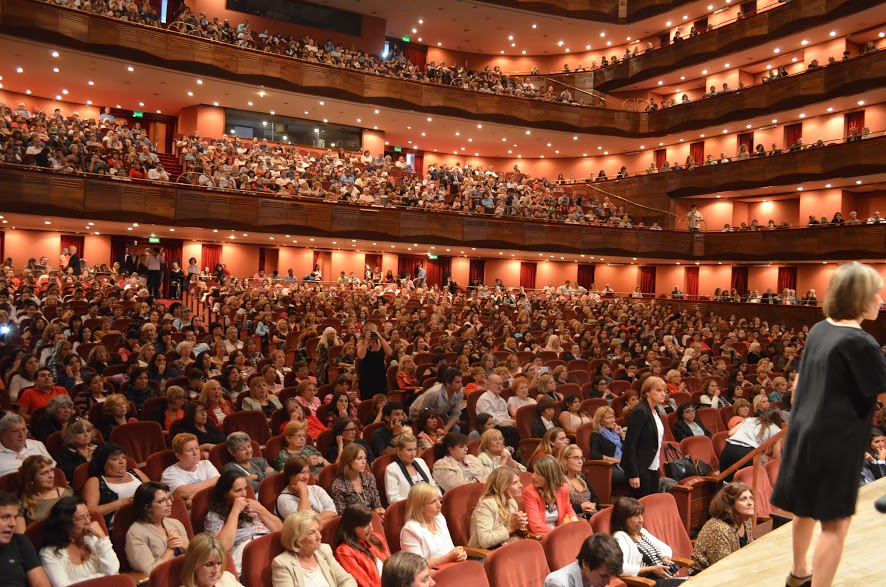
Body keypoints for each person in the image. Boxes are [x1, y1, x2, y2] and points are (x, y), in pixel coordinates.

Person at [772, 263, 886, 587]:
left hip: (805, 434)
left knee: (805, 509)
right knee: (835, 526)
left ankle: (798, 573)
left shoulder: (820, 329)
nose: (880, 299)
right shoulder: (861, 342)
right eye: (875, 293)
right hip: (837, 443)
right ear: (857, 298)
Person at [204, 470, 282, 575]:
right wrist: (235, 512)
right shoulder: (214, 516)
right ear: (225, 494)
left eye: (245, 488)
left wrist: (261, 510)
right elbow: (222, 547)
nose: (244, 494)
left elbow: (280, 530)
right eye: (238, 491)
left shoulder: (252, 505)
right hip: (245, 554)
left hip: (269, 544)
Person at [39, 496, 120, 587]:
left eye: (88, 515)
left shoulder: (94, 539)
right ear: (65, 523)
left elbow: (112, 571)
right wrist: (104, 577)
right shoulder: (50, 553)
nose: (88, 521)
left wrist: (102, 537)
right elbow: (63, 586)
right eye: (81, 518)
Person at [610, 497, 685, 586]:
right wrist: (651, 569)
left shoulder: (642, 532)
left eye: (641, 515)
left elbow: (665, 548)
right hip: (647, 583)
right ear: (623, 519)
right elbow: (620, 568)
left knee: (697, 580)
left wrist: (665, 560)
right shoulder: (620, 537)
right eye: (636, 516)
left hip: (661, 579)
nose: (641, 520)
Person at [271, 509, 356, 587]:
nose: (319, 536)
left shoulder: (324, 550)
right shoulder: (283, 564)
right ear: (297, 539)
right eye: (311, 533)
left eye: (318, 530)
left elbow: (347, 580)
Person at [125, 481, 190, 574]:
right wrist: (170, 549)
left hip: (186, 576)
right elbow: (150, 572)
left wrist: (185, 545)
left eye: (169, 498)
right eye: (161, 501)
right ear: (147, 508)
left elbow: (195, 559)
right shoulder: (135, 533)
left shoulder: (175, 523)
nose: (169, 503)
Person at [83, 442, 149, 528]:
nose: (122, 462)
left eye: (123, 457)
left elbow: (154, 491)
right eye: (115, 459)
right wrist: (123, 502)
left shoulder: (136, 472)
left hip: (148, 519)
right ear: (104, 464)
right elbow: (90, 510)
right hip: (120, 527)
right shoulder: (95, 481)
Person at [691, 482, 755, 571]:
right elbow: (722, 567)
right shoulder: (718, 528)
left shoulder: (746, 520)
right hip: (705, 575)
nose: (750, 503)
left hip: (736, 568)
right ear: (730, 504)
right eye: (743, 499)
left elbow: (749, 550)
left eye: (751, 498)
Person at [399, 483, 466, 569]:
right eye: (433, 502)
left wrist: (459, 553)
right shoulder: (410, 530)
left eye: (439, 499)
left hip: (452, 567)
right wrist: (448, 557)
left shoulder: (439, 518)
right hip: (431, 575)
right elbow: (417, 567)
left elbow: (450, 548)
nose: (439, 505)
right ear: (420, 506)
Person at [623, 377, 667, 498]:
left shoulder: (655, 409)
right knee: (641, 507)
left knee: (651, 504)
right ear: (647, 392)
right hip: (640, 468)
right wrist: (633, 474)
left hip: (653, 465)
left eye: (664, 390)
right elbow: (630, 444)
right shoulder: (640, 411)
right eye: (658, 390)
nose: (663, 394)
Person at [0, 491, 52, 587]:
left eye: (15, 517)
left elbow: (40, 583)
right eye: (6, 517)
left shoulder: (20, 542)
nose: (13, 524)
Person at [468, 466, 528, 549]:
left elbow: (512, 532)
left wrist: (520, 524)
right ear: (502, 486)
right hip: (485, 554)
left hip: (506, 547)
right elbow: (485, 541)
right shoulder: (486, 505)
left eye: (519, 481)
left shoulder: (512, 502)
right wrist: (512, 527)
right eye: (515, 483)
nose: (521, 485)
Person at [333, 503, 390, 587]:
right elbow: (366, 585)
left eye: (370, 523)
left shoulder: (377, 537)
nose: (371, 529)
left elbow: (393, 567)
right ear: (352, 527)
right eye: (365, 525)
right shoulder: (344, 551)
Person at [719, 407, 783, 481]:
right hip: (748, 453)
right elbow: (776, 456)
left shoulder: (749, 419)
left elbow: (731, 432)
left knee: (725, 482)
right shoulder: (777, 430)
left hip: (729, 448)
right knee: (750, 483)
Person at [523, 455, 578, 535]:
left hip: (559, 533)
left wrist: (576, 524)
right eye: (534, 472)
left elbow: (569, 510)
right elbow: (536, 526)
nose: (533, 476)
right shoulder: (530, 492)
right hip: (541, 536)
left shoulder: (563, 488)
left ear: (549, 476)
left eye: (538, 474)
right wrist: (558, 533)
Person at [543, 533, 624, 587]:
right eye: (604, 576)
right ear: (585, 564)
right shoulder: (558, 583)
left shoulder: (594, 579)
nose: (608, 582)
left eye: (610, 576)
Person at [161, 433, 220, 507]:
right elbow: (183, 492)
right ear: (178, 455)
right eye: (189, 450)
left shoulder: (206, 464)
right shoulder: (169, 473)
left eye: (197, 448)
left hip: (212, 505)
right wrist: (212, 482)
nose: (195, 453)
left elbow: (219, 482)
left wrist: (193, 496)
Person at [275, 456, 337, 524]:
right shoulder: (283, 499)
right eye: (302, 472)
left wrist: (314, 522)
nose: (306, 477)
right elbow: (303, 522)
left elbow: (333, 511)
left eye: (308, 472)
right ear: (291, 475)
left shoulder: (316, 489)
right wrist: (303, 491)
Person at [15, 456, 71, 530]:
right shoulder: (22, 501)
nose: (51, 476)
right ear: (31, 478)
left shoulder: (62, 494)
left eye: (51, 470)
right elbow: (21, 536)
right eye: (44, 473)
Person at [330, 443, 384, 517]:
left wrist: (379, 510)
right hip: (354, 523)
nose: (364, 462)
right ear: (348, 460)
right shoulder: (338, 485)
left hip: (373, 518)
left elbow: (377, 504)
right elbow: (341, 515)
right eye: (359, 458)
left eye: (365, 458)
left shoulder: (369, 477)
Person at [384, 433, 439, 505]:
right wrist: (416, 503)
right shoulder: (392, 469)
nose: (413, 454)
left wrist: (435, 497)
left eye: (415, 449)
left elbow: (433, 484)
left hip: (430, 505)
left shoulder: (421, 462)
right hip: (409, 509)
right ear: (399, 450)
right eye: (409, 450)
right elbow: (392, 498)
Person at [179, 532, 243, 587]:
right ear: (194, 564)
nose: (216, 570)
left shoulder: (227, 578)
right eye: (209, 564)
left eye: (219, 563)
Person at [559, 445, 599, 520]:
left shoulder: (581, 477)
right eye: (576, 458)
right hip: (576, 519)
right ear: (564, 460)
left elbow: (595, 498)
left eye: (581, 458)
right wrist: (581, 507)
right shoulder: (560, 481)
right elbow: (561, 509)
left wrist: (593, 504)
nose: (580, 461)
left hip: (593, 515)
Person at [55, 419, 98, 483]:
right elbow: (69, 474)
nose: (86, 434)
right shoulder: (66, 454)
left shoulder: (98, 448)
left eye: (88, 431)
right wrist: (87, 459)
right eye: (81, 432)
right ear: (71, 435)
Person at [357, 324, 391, 401]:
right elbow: (361, 356)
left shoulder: (380, 341)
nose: (373, 334)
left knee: (381, 399)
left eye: (375, 331)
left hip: (380, 375)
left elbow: (389, 352)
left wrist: (380, 338)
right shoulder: (362, 342)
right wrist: (366, 341)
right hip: (367, 376)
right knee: (368, 400)